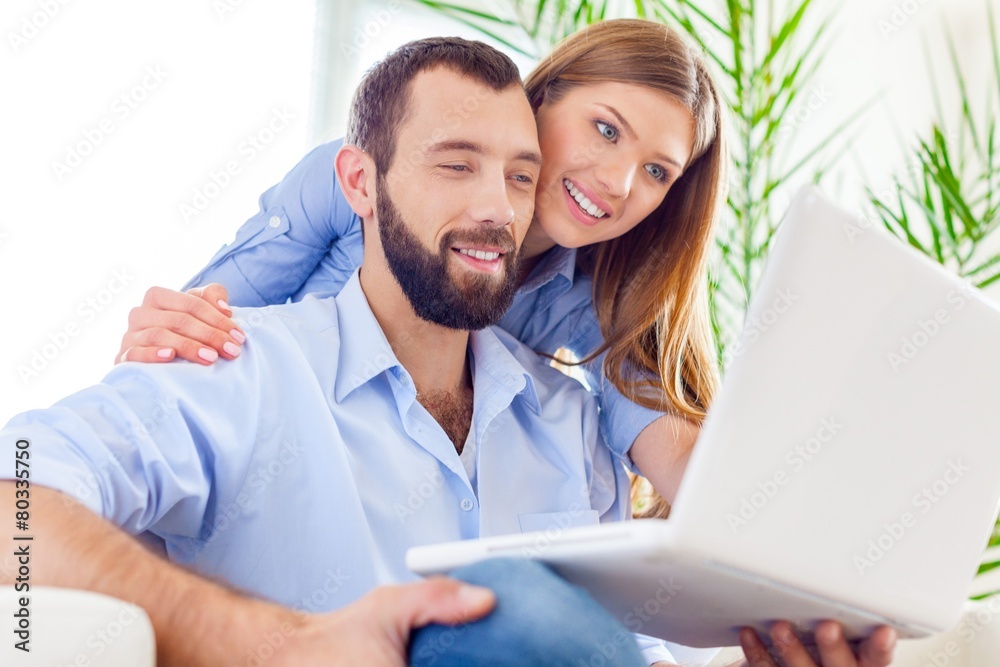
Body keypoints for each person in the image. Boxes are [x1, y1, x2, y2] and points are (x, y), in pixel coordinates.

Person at [116, 19, 726, 518]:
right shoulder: (365, 179)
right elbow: (200, 321)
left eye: (657, 172)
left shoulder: (596, 295)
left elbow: (678, 458)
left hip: (400, 512)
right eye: (606, 129)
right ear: (541, 98)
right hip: (280, 475)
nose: (618, 183)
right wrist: (165, 337)